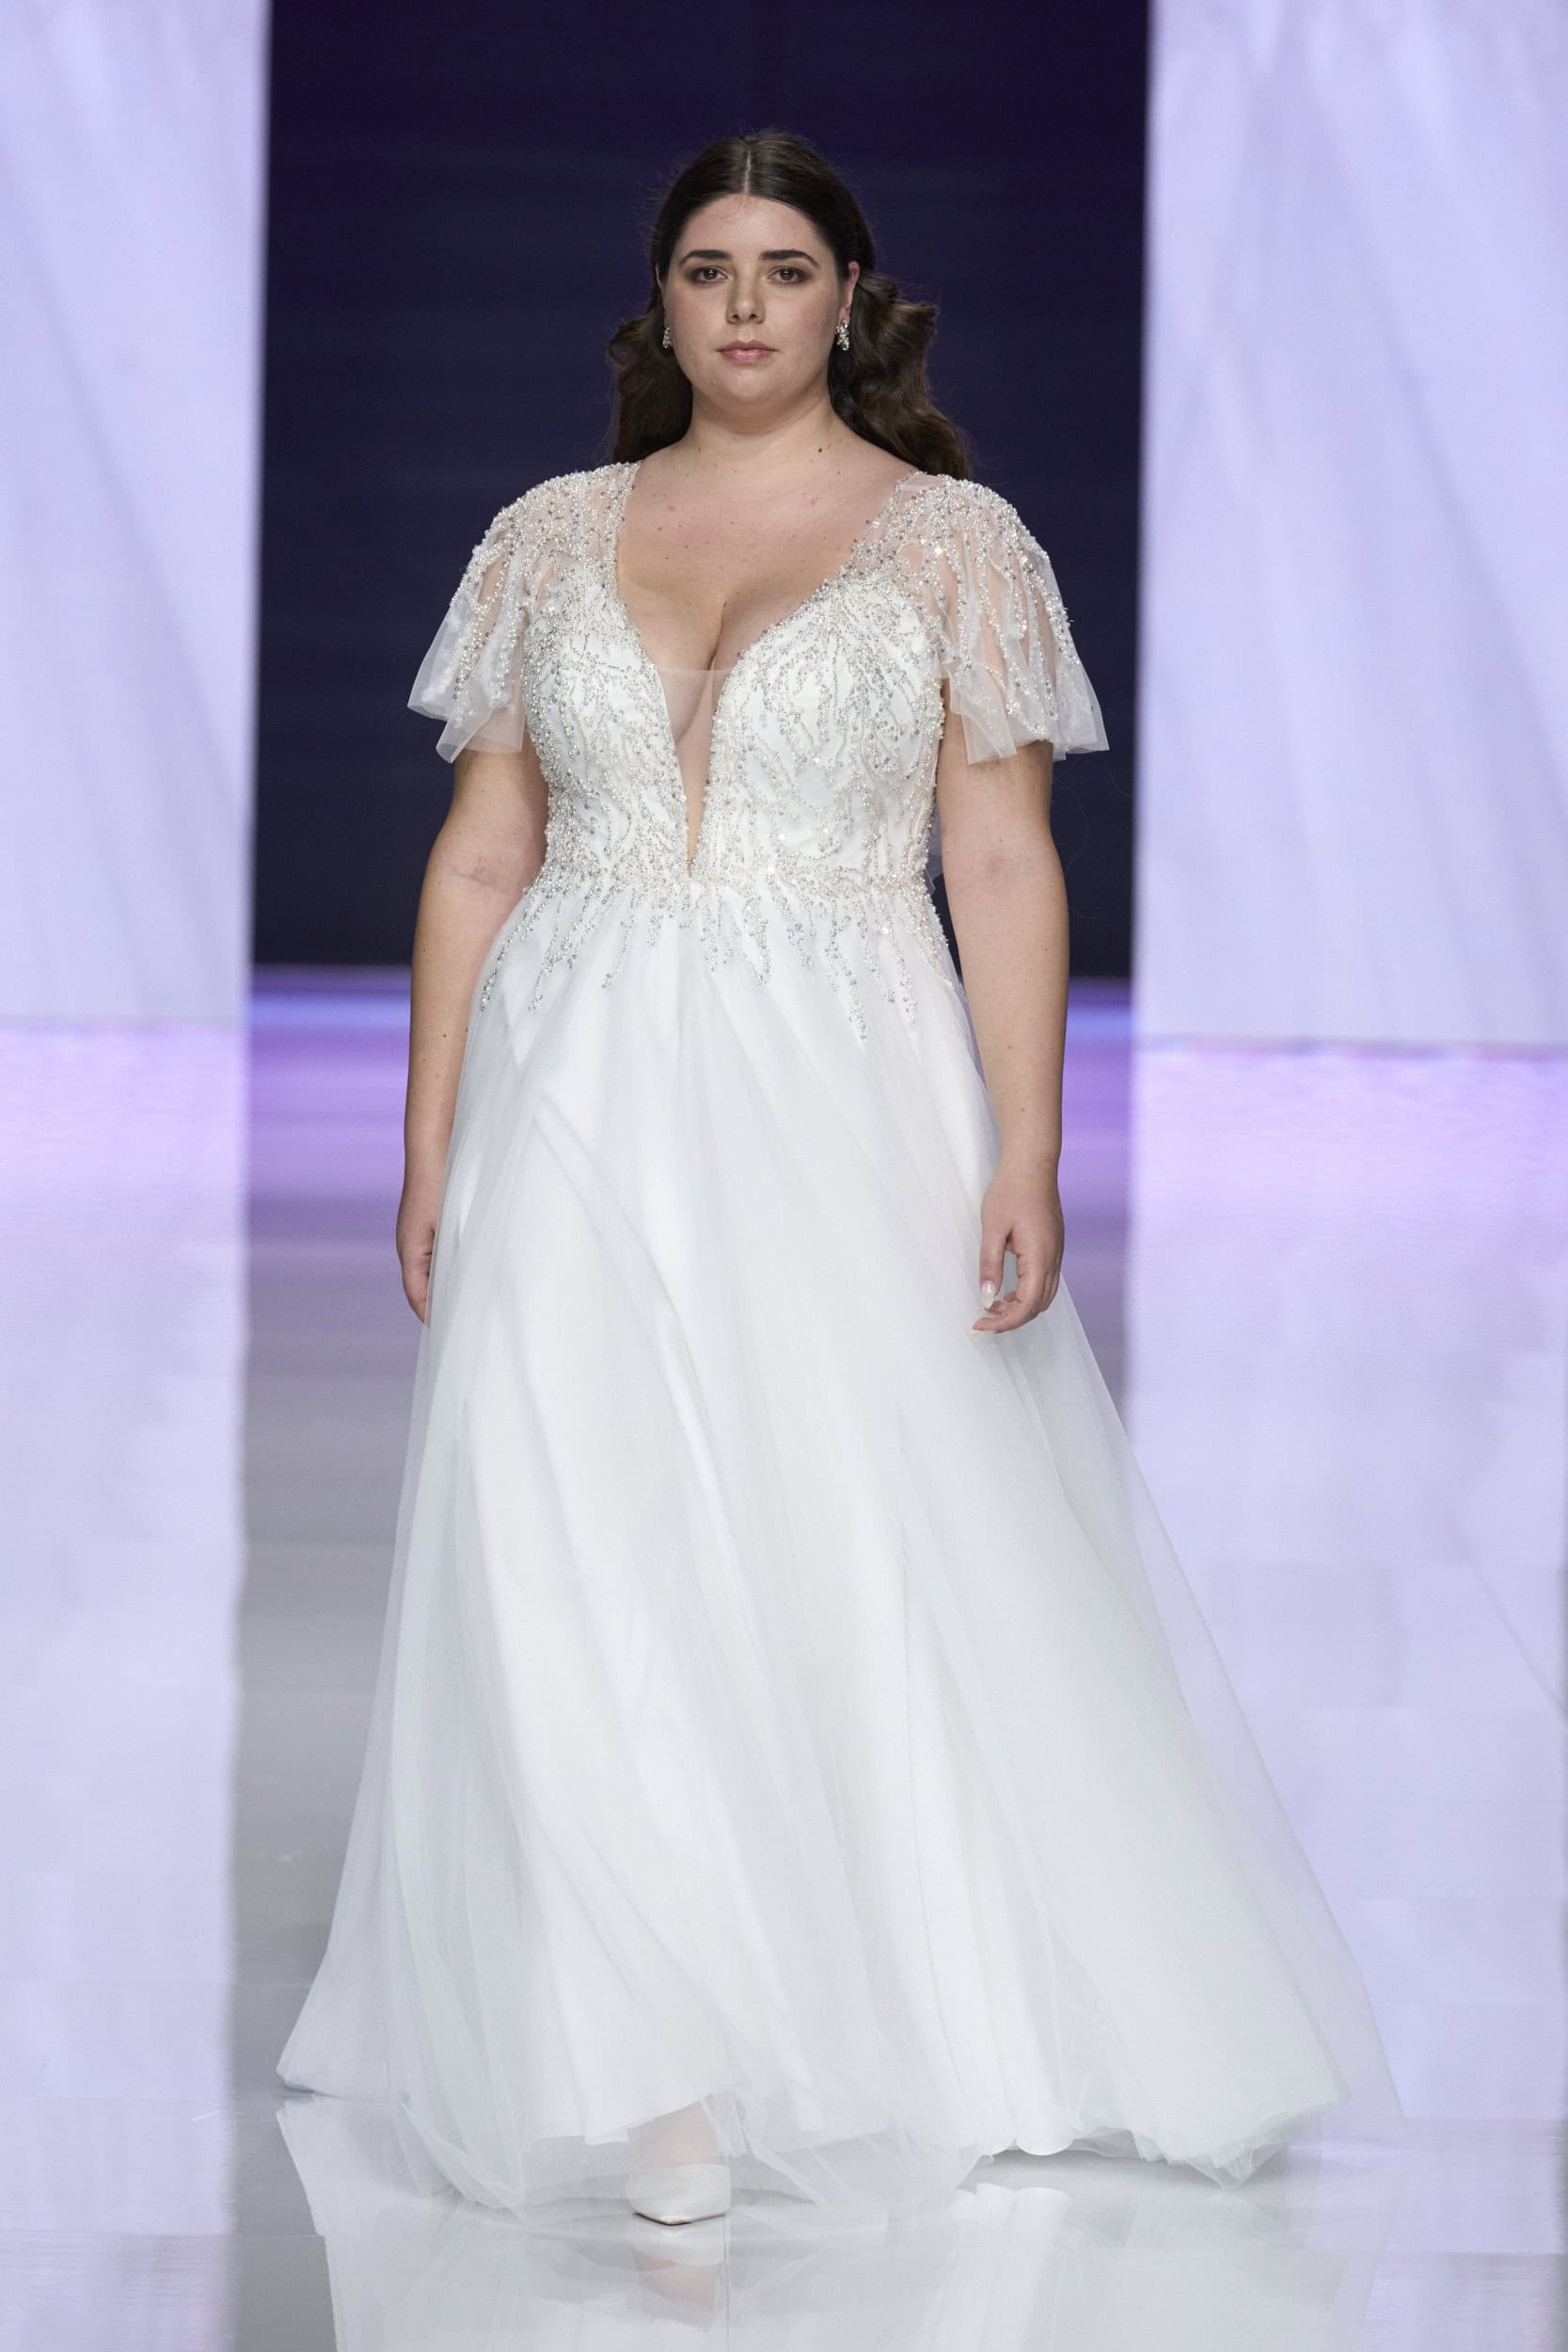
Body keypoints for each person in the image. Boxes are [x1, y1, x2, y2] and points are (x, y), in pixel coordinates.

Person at [278, 129, 1396, 2228]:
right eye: (709, 266)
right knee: (562, 1519)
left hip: (844, 1071)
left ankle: (882, 1992)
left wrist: (1032, 1142)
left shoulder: (954, 545)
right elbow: (485, 848)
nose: (746, 304)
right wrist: (427, 1130)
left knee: (848, 1519)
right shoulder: (549, 534)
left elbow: (1000, 856)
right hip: (578, 1066)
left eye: (786, 267)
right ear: (662, 300)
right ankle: (655, 2049)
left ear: (851, 299)